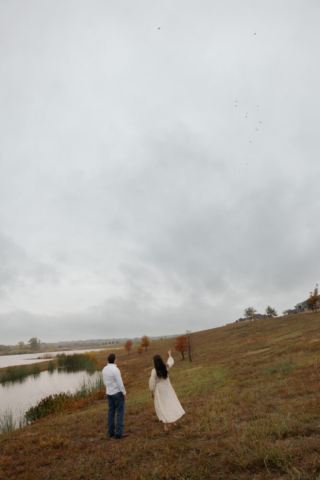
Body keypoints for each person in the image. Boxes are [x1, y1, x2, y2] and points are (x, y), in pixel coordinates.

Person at [149, 349, 185, 431]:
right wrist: (169, 355)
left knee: (162, 406)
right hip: (167, 388)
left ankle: (165, 425)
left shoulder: (154, 371)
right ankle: (172, 421)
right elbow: (171, 362)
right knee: (170, 403)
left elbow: (152, 383)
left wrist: (151, 392)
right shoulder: (166, 367)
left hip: (160, 390)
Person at [102, 353, 129, 439]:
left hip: (109, 393)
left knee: (111, 412)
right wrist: (124, 392)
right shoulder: (115, 370)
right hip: (117, 393)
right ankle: (118, 433)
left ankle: (110, 432)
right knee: (120, 412)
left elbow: (104, 382)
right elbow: (120, 383)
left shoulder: (104, 369)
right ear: (114, 360)